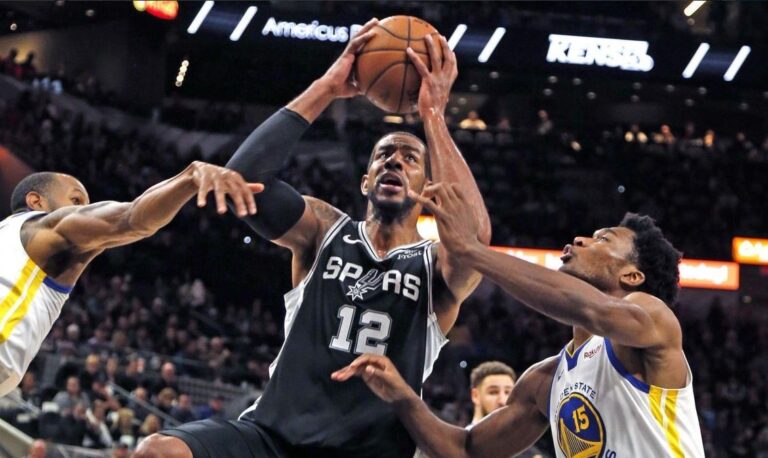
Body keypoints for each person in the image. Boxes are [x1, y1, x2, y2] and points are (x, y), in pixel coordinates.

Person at [137, 17, 490, 458]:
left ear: (428, 188)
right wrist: (327, 86)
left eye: (409, 159)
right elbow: (242, 178)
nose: (394, 162)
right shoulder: (324, 229)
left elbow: (475, 240)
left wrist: (433, 114)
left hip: (369, 452)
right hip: (274, 438)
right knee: (159, 451)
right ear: (365, 181)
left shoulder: (435, 265)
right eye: (383, 155)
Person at [334, 183, 705, 457]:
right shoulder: (546, 380)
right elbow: (466, 450)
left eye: (602, 239)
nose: (580, 239)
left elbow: (595, 312)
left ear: (632, 276)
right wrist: (402, 396)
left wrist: (471, 251)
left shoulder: (653, 318)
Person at [0, 161, 262, 396]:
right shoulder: (44, 229)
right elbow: (133, 218)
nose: (85, 211)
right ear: (36, 202)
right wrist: (189, 178)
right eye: (77, 201)